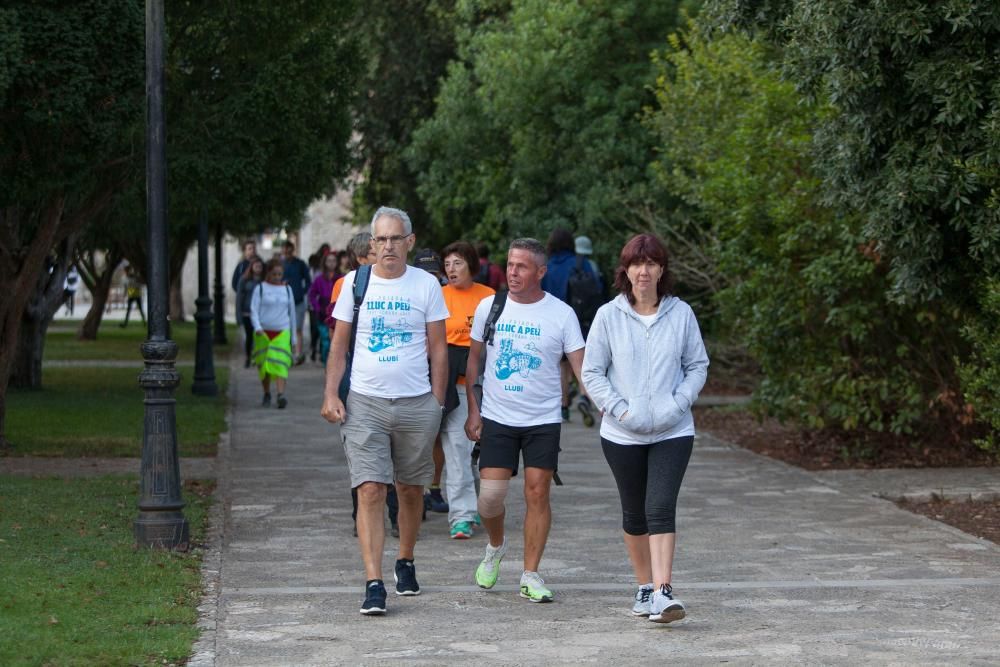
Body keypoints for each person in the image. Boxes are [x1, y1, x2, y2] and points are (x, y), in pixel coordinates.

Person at [321, 206, 449, 616]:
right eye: (381, 239)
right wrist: (330, 394)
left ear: (409, 243)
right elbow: (339, 346)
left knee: (411, 490)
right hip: (365, 403)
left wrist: (438, 402)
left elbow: (439, 348)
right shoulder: (354, 284)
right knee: (371, 489)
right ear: (371, 244)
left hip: (416, 404)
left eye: (396, 239)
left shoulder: (426, 285)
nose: (388, 246)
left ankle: (405, 559)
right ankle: (373, 582)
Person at [581, 233, 709, 624]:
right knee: (634, 513)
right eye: (637, 264)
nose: (644, 271)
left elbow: (697, 366)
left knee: (660, 507)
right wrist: (619, 410)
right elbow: (592, 372)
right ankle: (643, 585)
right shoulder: (608, 316)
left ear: (661, 270)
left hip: (673, 430)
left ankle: (663, 591)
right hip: (623, 433)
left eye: (651, 263)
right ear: (626, 271)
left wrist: (678, 403)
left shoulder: (681, 313)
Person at [465, 238, 586, 603]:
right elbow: (474, 361)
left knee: (537, 492)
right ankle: (495, 546)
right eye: (510, 264)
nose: (512, 272)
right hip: (497, 416)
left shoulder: (561, 314)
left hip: (543, 418)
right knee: (490, 499)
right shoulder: (491, 306)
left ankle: (530, 574)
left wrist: (606, 404)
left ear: (540, 272)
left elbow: (582, 368)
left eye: (521, 266)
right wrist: (473, 409)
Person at [329, 232, 399, 539]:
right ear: (361, 258)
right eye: (374, 254)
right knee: (362, 449)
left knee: (396, 452)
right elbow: (339, 336)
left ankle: (397, 513)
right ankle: (362, 510)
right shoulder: (348, 285)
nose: (382, 257)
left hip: (396, 384)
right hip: (357, 373)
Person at [439, 241, 495, 539]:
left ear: (471, 265)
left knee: (469, 451)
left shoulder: (489, 298)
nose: (451, 269)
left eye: (458, 263)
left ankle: (470, 507)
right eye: (447, 264)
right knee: (456, 449)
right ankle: (461, 516)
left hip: (481, 385)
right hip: (448, 386)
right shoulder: (438, 296)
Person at [541, 228, 601, 422]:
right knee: (581, 363)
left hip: (552, 320)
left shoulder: (546, 266)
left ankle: (564, 406)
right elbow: (596, 289)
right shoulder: (581, 263)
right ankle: (585, 396)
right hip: (579, 319)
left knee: (562, 366)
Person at [412, 248, 449, 514]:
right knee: (412, 438)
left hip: (440, 370)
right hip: (412, 372)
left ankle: (433, 488)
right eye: (426, 274)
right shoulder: (408, 292)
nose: (431, 280)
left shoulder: (449, 295)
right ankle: (417, 491)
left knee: (436, 435)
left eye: (435, 274)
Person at [250, 258, 297, 409]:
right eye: (274, 274)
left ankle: (281, 394)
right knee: (265, 366)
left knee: (281, 363)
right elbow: (253, 310)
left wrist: (294, 339)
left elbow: (292, 314)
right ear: (268, 273)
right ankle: (266, 393)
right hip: (263, 333)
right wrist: (257, 327)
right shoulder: (260, 289)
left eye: (280, 274)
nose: (277, 277)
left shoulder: (287, 290)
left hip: (282, 332)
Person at [281, 240, 312, 366]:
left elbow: (308, 281)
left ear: (292, 250)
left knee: (298, 328)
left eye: (289, 249)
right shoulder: (280, 264)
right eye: (284, 249)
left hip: (298, 301)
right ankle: (287, 353)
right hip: (283, 302)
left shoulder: (300, 264)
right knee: (286, 328)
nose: (287, 252)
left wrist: (302, 291)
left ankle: (298, 354)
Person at [308, 252, 341, 365]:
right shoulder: (319, 279)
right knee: (325, 339)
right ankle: (326, 361)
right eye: (329, 261)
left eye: (334, 261)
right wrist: (317, 307)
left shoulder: (341, 278)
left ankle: (334, 361)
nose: (331, 263)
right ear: (325, 262)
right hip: (323, 314)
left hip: (337, 313)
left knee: (335, 340)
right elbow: (311, 294)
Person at [236, 257, 265, 367]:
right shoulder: (244, 280)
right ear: (251, 267)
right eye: (256, 266)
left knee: (259, 336)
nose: (258, 269)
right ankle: (248, 357)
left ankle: (258, 357)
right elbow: (239, 298)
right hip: (247, 313)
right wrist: (239, 316)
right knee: (249, 336)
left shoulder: (263, 281)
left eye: (260, 267)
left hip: (260, 314)